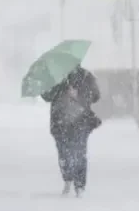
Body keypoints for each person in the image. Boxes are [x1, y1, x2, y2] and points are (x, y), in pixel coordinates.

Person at [40, 66, 102, 196]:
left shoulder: (86, 76)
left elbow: (96, 95)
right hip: (60, 121)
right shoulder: (55, 76)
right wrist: (59, 88)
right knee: (64, 152)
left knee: (79, 152)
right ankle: (67, 178)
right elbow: (46, 96)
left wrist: (78, 93)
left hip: (80, 121)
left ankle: (79, 185)